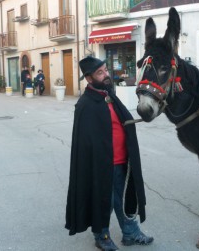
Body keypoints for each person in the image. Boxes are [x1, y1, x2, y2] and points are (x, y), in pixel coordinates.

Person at [65, 56, 153, 251]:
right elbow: (86, 142)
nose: (106, 75)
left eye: (105, 70)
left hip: (122, 160)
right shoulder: (85, 105)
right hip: (102, 165)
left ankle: (130, 233)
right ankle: (101, 235)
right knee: (103, 201)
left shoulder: (108, 94)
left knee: (124, 200)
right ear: (89, 78)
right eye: (100, 72)